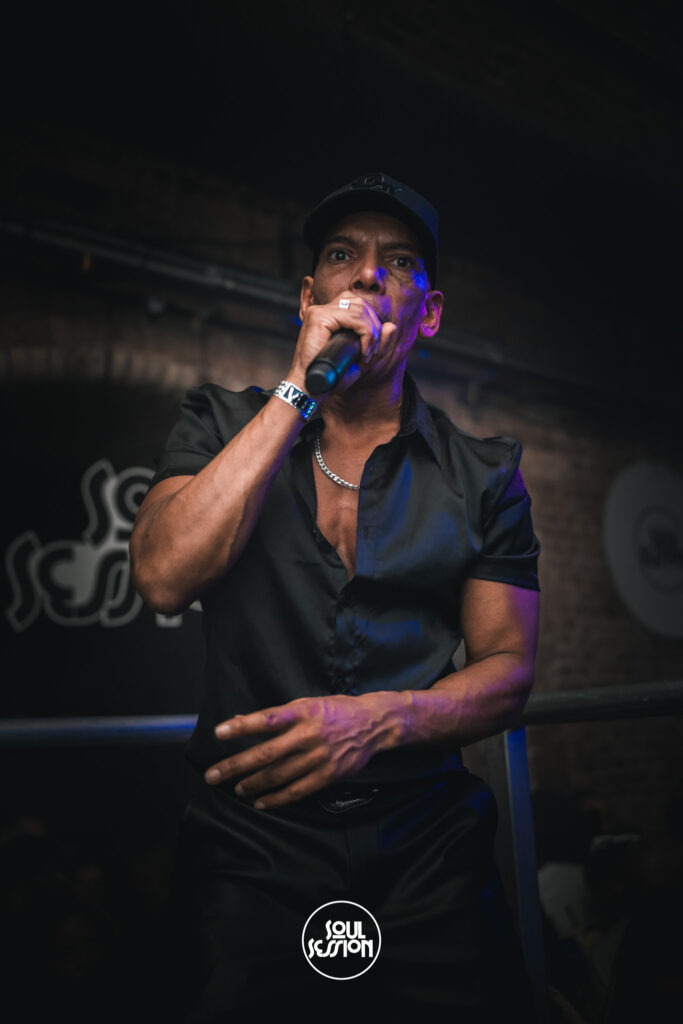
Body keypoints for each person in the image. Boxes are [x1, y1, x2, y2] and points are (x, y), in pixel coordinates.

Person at [129, 171, 541, 1022]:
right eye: (342, 255)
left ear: (428, 313)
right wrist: (299, 389)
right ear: (308, 295)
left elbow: (507, 669)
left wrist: (377, 721)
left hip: (423, 839)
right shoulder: (220, 423)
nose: (366, 274)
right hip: (251, 837)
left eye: (398, 262)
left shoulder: (485, 474)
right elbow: (165, 576)